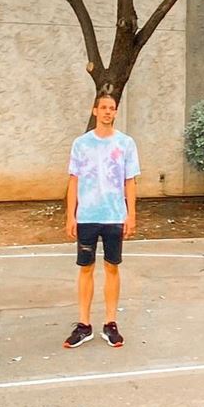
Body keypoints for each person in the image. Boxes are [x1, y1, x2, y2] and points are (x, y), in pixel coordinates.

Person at [63, 90, 139, 350]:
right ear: (95, 111)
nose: (107, 112)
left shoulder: (125, 143)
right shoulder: (81, 144)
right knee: (85, 268)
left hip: (114, 215)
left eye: (112, 108)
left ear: (115, 112)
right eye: (103, 107)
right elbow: (73, 180)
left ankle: (110, 323)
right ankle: (84, 325)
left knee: (111, 267)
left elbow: (130, 181)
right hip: (87, 216)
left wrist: (131, 214)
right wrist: (71, 215)